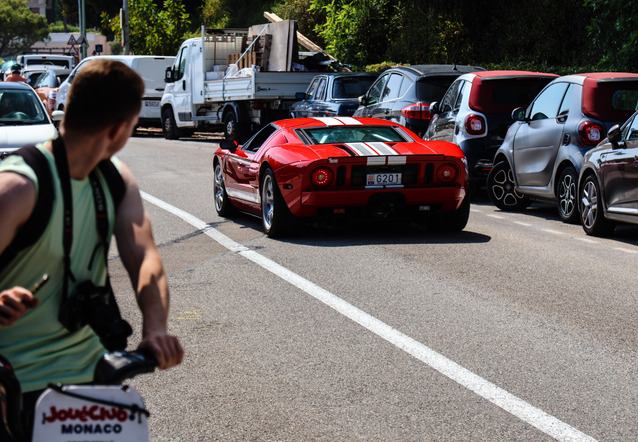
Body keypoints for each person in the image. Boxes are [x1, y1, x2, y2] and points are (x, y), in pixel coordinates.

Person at [0, 59, 183, 438]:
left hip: (91, 381)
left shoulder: (115, 178)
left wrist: (155, 327)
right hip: (13, 387)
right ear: (118, 129)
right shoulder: (20, 186)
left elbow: (144, 256)